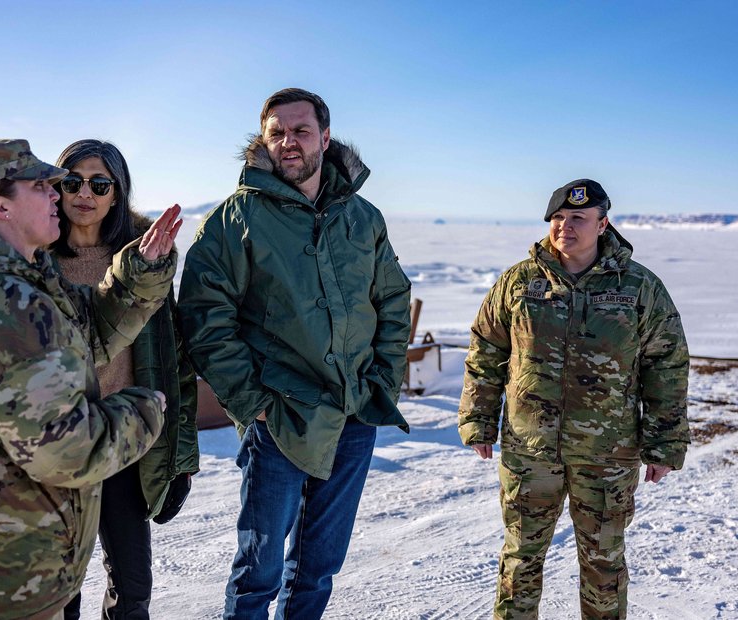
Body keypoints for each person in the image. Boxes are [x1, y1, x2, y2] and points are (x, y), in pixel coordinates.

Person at [0, 138, 183, 620]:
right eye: (44, 185)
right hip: (5, 576)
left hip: (11, 555)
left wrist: (138, 276)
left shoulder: (16, 281)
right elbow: (65, 451)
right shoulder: (5, 304)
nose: (60, 194)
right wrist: (142, 411)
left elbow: (89, 333)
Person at [178, 88, 412, 619]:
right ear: (263, 141)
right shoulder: (235, 220)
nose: (289, 142)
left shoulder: (362, 217)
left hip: (354, 411)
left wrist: (383, 378)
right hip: (280, 416)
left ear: (325, 139)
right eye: (277, 132)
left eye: (301, 131)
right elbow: (204, 317)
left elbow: (392, 299)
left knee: (319, 567)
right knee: (257, 572)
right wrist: (251, 400)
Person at [458, 179, 690, 619]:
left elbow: (667, 365)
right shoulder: (519, 282)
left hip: (608, 454)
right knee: (520, 559)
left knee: (603, 565)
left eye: (578, 218)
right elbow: (486, 350)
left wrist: (665, 443)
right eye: (558, 218)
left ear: (603, 224)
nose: (565, 226)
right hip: (530, 450)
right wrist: (478, 418)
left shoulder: (638, 287)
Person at [51, 139, 199, 620]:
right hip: (58, 447)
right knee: (57, 590)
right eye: (72, 181)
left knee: (132, 586)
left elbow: (173, 360)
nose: (84, 194)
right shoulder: (37, 263)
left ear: (117, 193)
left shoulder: (144, 264)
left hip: (124, 441)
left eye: (99, 183)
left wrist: (181, 457)